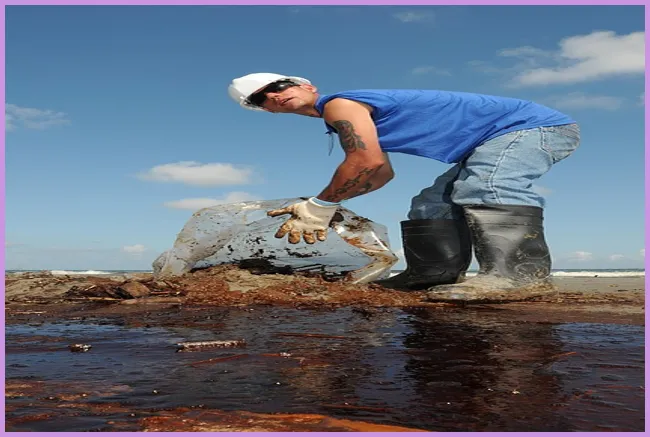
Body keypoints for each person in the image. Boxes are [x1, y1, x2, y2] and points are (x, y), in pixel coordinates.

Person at [227, 73, 580, 303]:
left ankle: (517, 277)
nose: (274, 95)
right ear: (265, 110)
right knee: (429, 206)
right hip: (495, 139)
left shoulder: (340, 104)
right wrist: (326, 206)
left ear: (307, 86)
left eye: (279, 85)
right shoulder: (344, 117)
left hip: (532, 127)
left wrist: (320, 205)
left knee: (488, 185)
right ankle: (429, 275)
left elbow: (364, 163)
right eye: (261, 98)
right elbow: (380, 174)